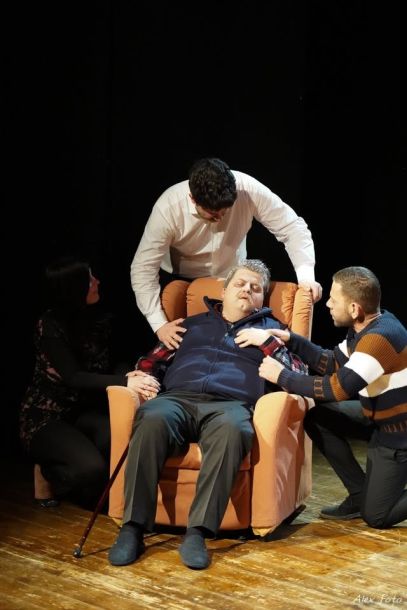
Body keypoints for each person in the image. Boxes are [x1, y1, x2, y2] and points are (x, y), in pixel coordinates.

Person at [108, 259, 307, 570]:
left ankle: (198, 532)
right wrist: (140, 376)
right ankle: (132, 528)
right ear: (224, 290)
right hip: (177, 398)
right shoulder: (191, 324)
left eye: (256, 288)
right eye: (240, 284)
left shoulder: (273, 331)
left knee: (234, 430)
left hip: (231, 405)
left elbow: (299, 374)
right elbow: (151, 362)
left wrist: (267, 342)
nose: (247, 290)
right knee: (151, 418)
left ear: (261, 299)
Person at [253, 266, 407, 529]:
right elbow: (332, 362)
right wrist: (291, 339)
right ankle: (359, 494)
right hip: (378, 419)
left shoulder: (379, 338)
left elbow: (338, 388)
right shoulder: (365, 327)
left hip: (399, 435)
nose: (328, 304)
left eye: (334, 299)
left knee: (377, 516)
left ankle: (369, 502)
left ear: (354, 308)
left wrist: (282, 376)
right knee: (317, 417)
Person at [130, 157, 322, 349]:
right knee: (185, 350)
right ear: (193, 199)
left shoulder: (248, 189)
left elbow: (292, 228)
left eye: (226, 210)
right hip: (182, 277)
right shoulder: (168, 208)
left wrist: (306, 276)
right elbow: (143, 268)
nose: (221, 217)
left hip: (230, 279)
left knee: (235, 348)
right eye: (213, 214)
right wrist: (159, 324)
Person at [19, 256, 159, 509]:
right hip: (48, 416)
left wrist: (134, 377)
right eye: (89, 279)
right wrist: (124, 382)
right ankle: (47, 471)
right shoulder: (50, 325)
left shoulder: (99, 318)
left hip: (84, 412)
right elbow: (74, 377)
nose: (97, 282)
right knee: (92, 470)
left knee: (120, 440)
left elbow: (117, 359)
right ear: (73, 288)